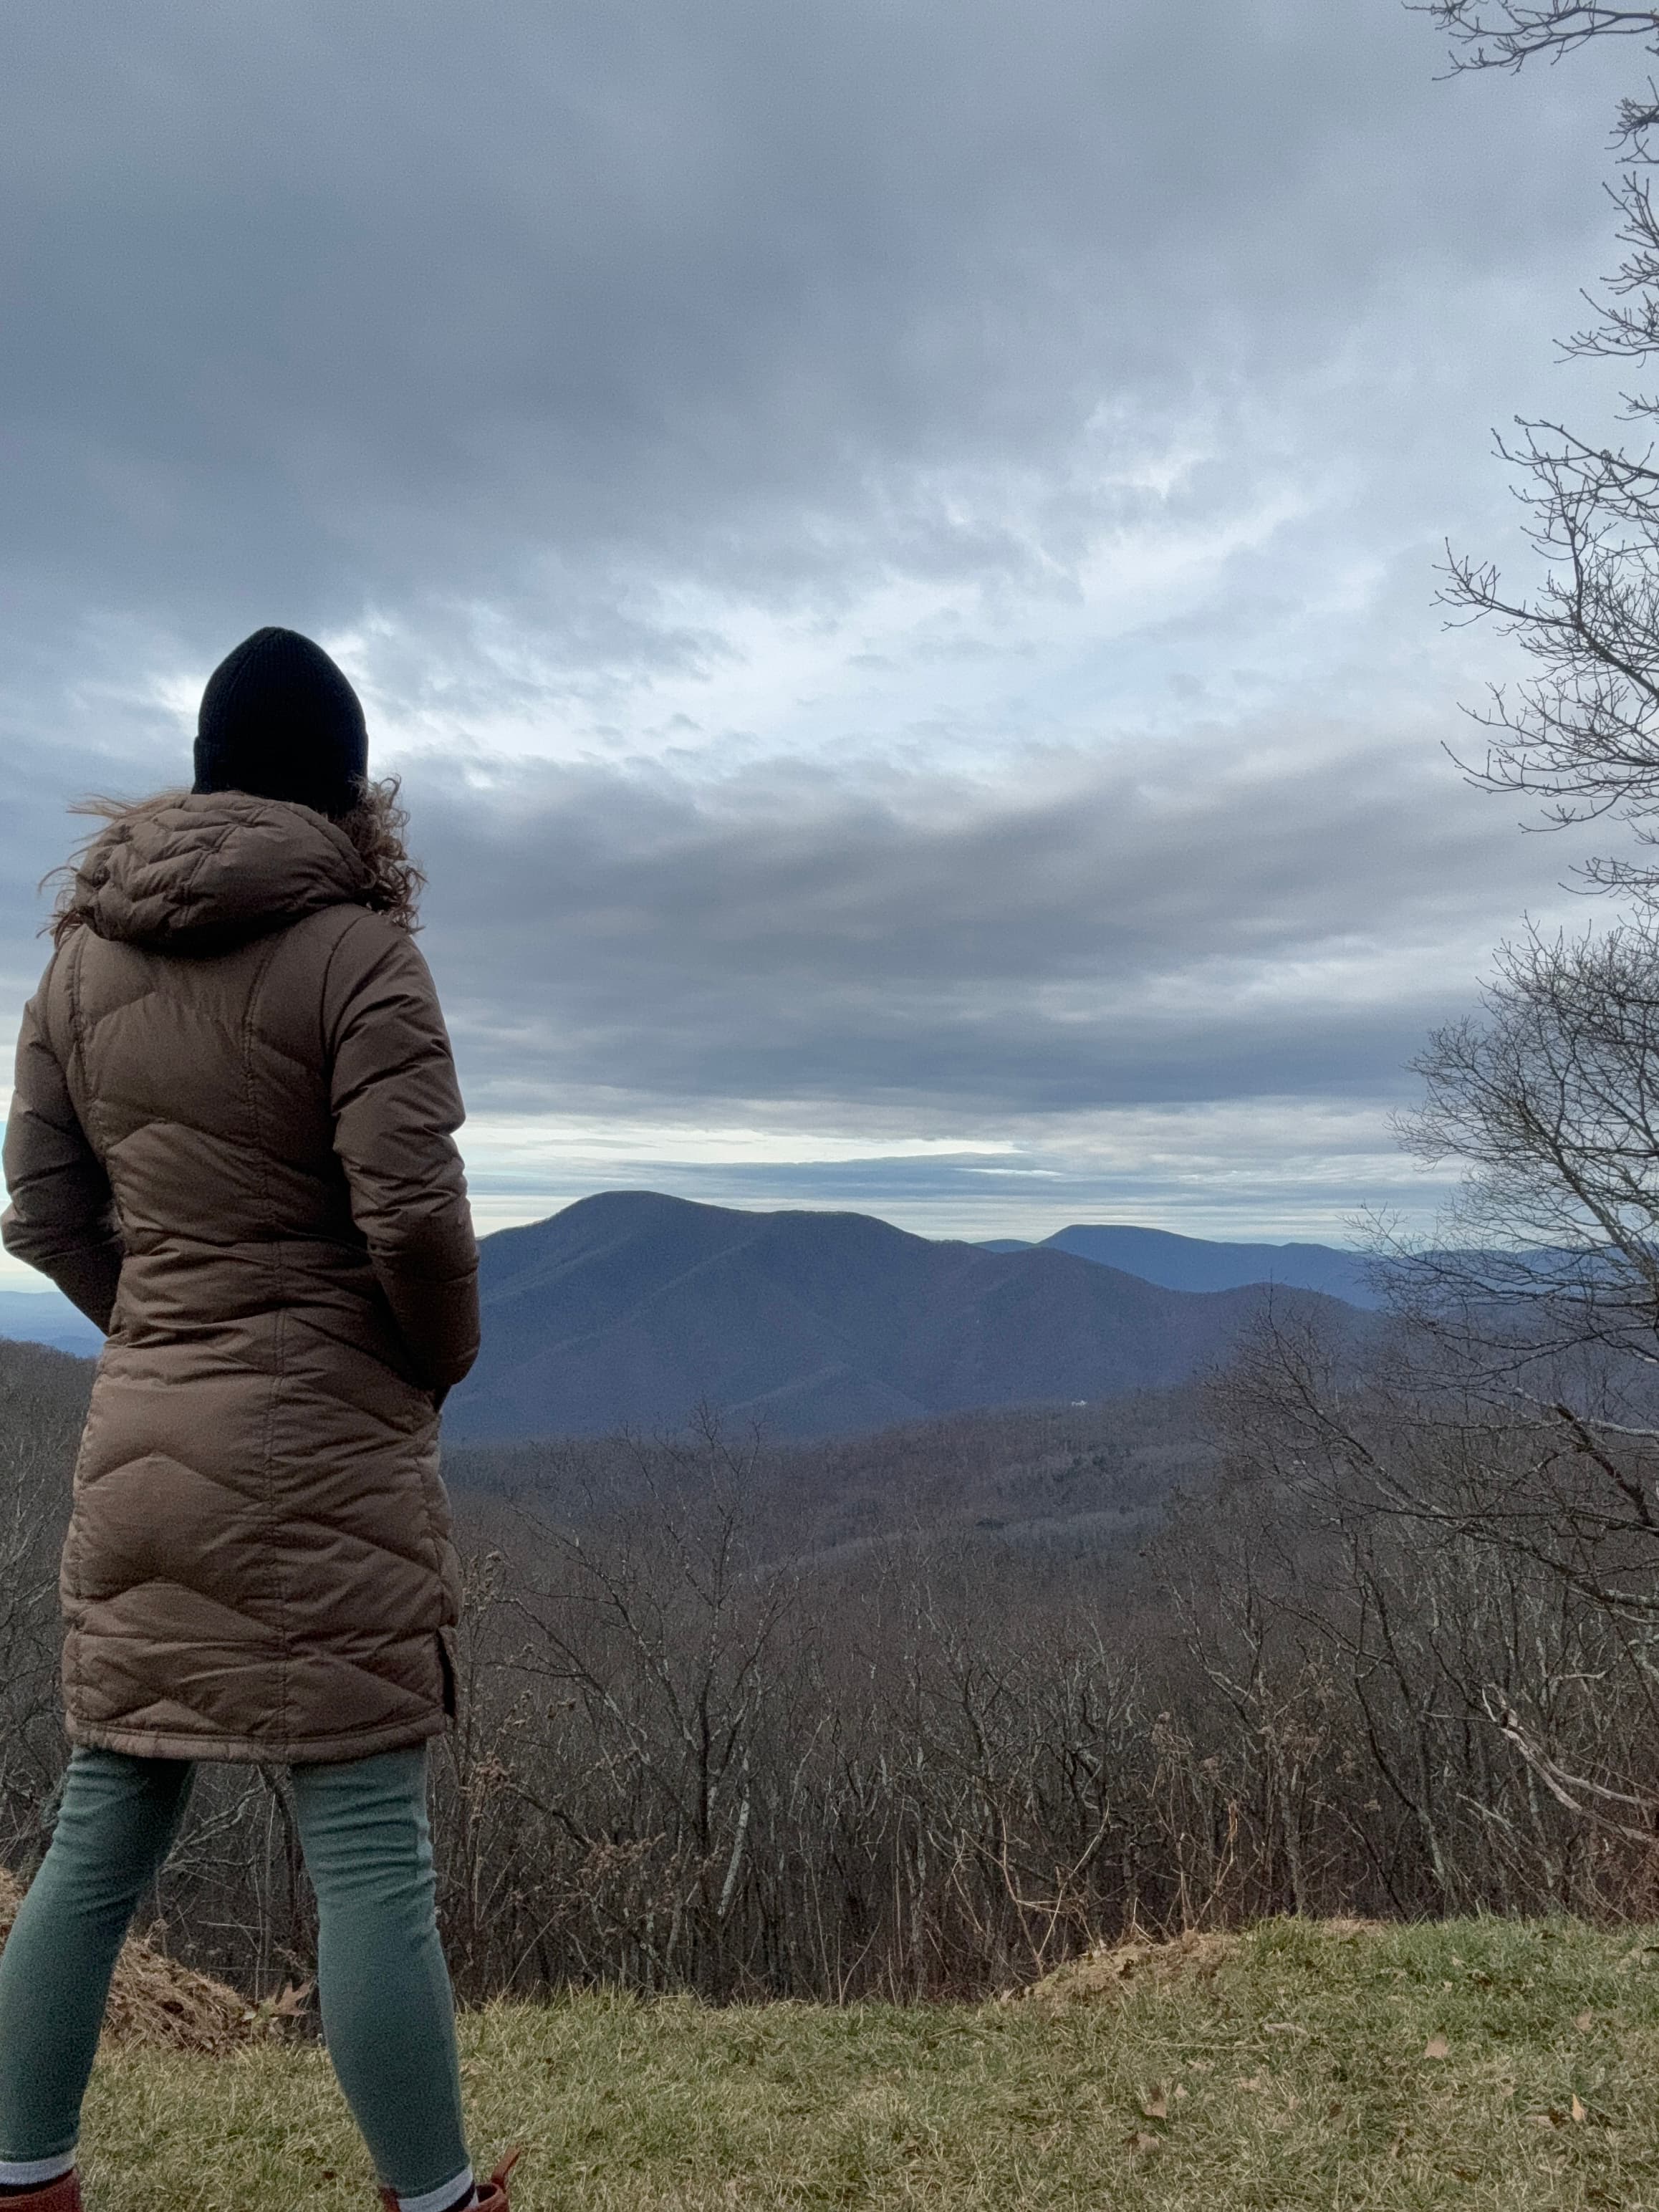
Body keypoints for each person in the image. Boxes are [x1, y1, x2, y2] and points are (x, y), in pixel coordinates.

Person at [0, 629, 519, 2212]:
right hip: (321, 1456)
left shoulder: (82, 957)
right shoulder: (362, 952)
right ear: (350, 786)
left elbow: (42, 1204)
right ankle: (432, 2197)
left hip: (144, 1443)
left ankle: (24, 2174)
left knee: (102, 1822)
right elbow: (416, 1224)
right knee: (367, 1847)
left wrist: (159, 1331)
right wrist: (428, 1362)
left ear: (209, 769)